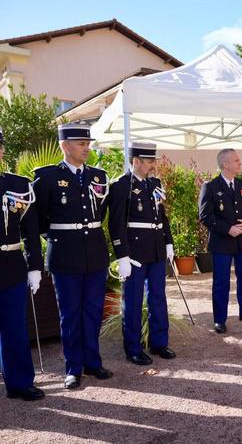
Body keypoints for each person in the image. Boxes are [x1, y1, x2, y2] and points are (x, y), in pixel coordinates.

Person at [32, 123, 113, 389]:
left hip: (95, 254)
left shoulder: (98, 177)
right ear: (65, 146)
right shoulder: (46, 178)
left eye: (88, 143)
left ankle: (93, 362)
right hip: (65, 255)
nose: (86, 148)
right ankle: (73, 367)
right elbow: (39, 221)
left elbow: (99, 215)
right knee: (69, 314)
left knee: (93, 311)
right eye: (81, 144)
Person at [108, 142, 176, 365]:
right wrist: (122, 255)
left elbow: (162, 217)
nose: (153, 165)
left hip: (156, 248)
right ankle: (133, 348)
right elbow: (116, 224)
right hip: (135, 253)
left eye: (153, 161)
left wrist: (168, 243)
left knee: (158, 298)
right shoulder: (120, 185)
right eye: (149, 161)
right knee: (134, 301)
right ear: (135, 161)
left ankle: (159, 343)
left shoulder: (154, 184)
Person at [0, 129, 45, 401]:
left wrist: (35, 267)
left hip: (11, 264)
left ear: (2, 150)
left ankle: (19, 383)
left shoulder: (18, 185)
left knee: (15, 328)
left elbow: (31, 231)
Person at [199, 149, 242, 333]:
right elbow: (205, 216)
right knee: (221, 282)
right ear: (225, 164)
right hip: (222, 243)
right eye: (236, 161)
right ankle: (219, 319)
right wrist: (227, 229)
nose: (240, 163)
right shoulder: (210, 187)